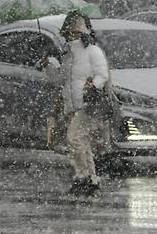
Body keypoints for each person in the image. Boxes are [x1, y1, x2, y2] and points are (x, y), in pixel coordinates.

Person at [44, 11, 112, 196]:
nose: (73, 35)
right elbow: (61, 80)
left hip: (89, 105)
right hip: (73, 105)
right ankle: (90, 179)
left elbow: (102, 75)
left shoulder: (93, 51)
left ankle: (83, 177)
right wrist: (50, 65)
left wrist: (93, 85)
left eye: (77, 31)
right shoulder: (67, 54)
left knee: (74, 138)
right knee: (81, 141)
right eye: (70, 31)